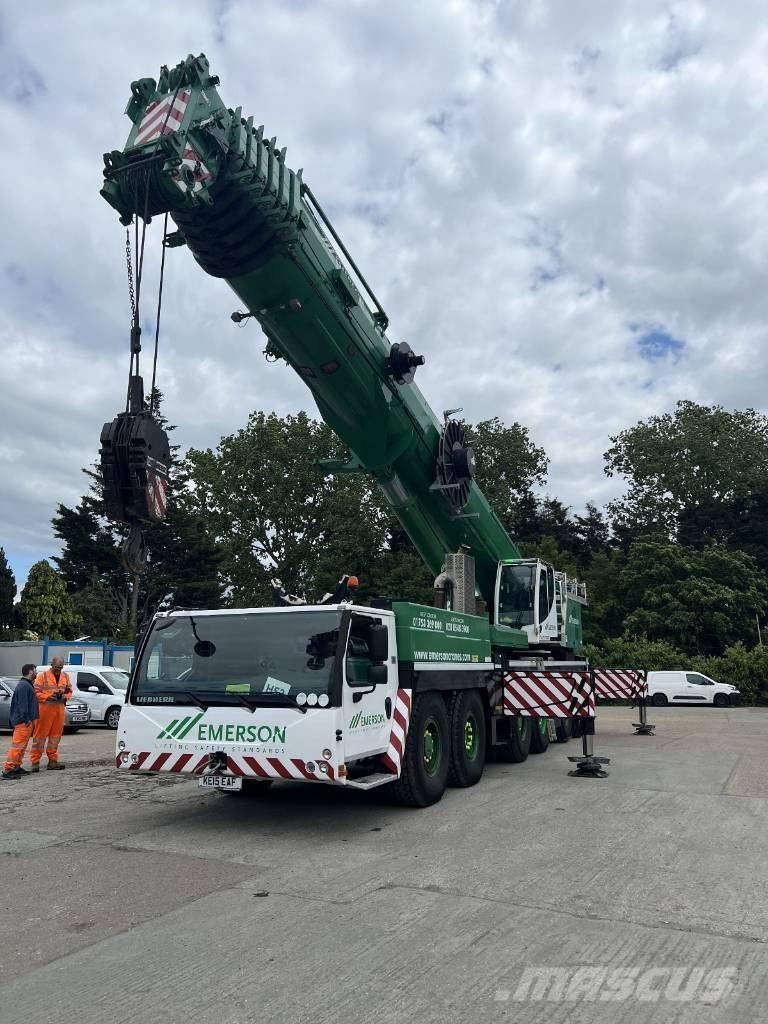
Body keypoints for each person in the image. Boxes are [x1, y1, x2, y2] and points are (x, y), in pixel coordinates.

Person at [30, 657, 71, 771]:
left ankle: (52, 761)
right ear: (51, 665)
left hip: (59, 710)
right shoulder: (42, 676)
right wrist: (48, 696)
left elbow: (69, 690)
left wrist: (65, 696)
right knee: (39, 737)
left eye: (60, 667)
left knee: (55, 737)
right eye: (56, 667)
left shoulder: (65, 676)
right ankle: (35, 762)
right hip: (44, 710)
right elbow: (35, 692)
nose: (58, 669)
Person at [1, 664, 40, 780]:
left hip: (25, 721)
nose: (37, 672)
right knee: (17, 746)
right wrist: (26, 719)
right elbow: (22, 705)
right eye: (35, 670)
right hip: (23, 721)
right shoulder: (24, 686)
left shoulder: (27, 684)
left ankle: (16, 767)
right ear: (30, 671)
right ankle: (8, 769)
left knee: (21, 746)